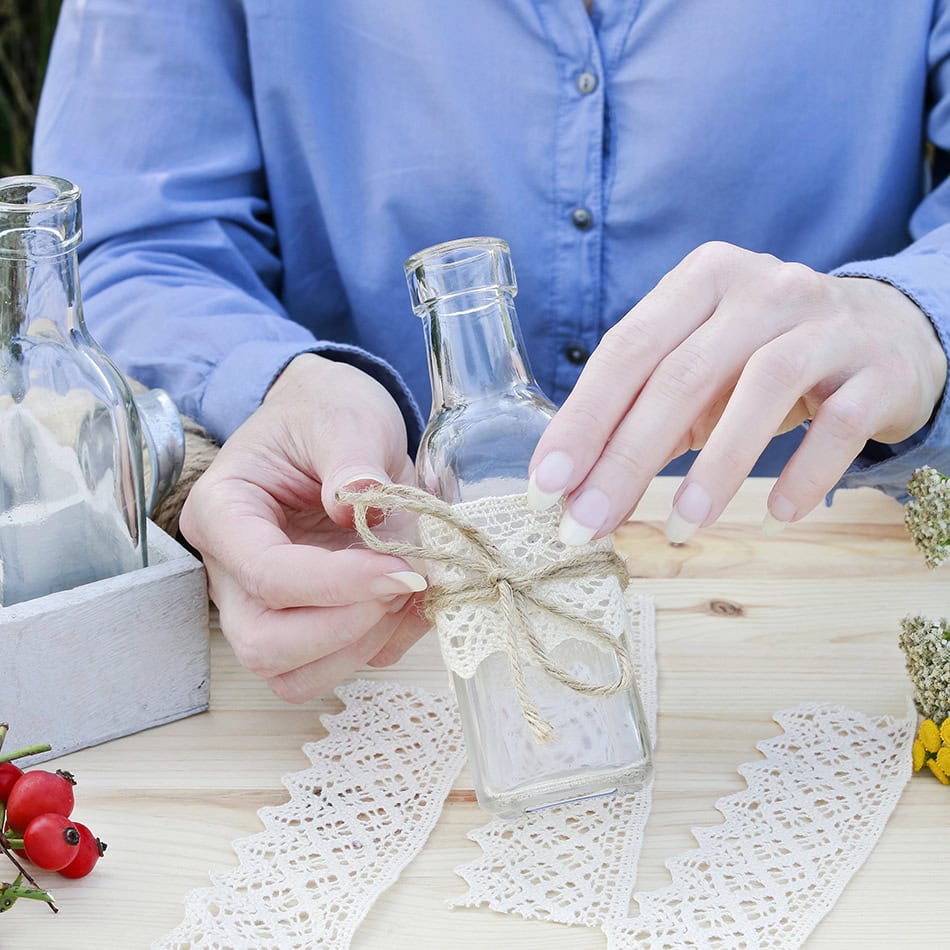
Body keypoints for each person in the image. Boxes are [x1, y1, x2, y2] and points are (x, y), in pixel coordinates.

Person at [34, 1, 950, 702]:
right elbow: (129, 242)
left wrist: (912, 315)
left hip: (836, 637)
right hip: (378, 654)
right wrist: (281, 384)